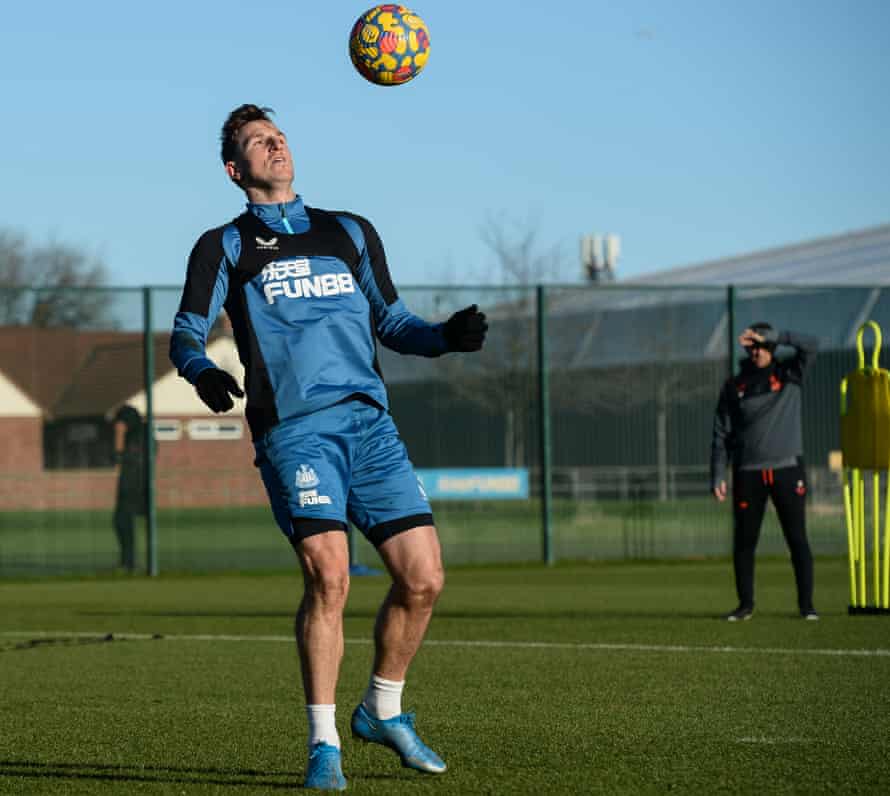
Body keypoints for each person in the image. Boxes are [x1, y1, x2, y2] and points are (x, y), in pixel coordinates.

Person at [169, 104, 487, 790]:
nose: (276, 144)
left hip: (371, 428)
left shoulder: (348, 230)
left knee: (424, 578)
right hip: (296, 431)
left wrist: (444, 337)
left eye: (278, 135)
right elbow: (186, 334)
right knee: (330, 577)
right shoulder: (224, 245)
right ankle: (324, 746)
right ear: (236, 168)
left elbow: (393, 321)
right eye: (259, 141)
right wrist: (204, 373)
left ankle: (382, 710)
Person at [710, 323, 819, 622]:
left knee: (797, 538)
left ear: (771, 347)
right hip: (748, 473)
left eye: (762, 345)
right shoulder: (734, 386)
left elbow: (811, 343)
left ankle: (807, 606)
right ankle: (745, 606)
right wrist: (718, 473)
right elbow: (721, 433)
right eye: (752, 346)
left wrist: (777, 336)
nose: (757, 351)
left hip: (787, 469)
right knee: (745, 542)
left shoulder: (789, 374)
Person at [111, 403, 146, 572]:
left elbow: (122, 456)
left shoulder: (134, 434)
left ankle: (129, 562)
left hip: (132, 483)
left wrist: (118, 453)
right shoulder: (142, 431)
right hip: (137, 483)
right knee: (124, 521)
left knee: (123, 521)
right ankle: (130, 561)